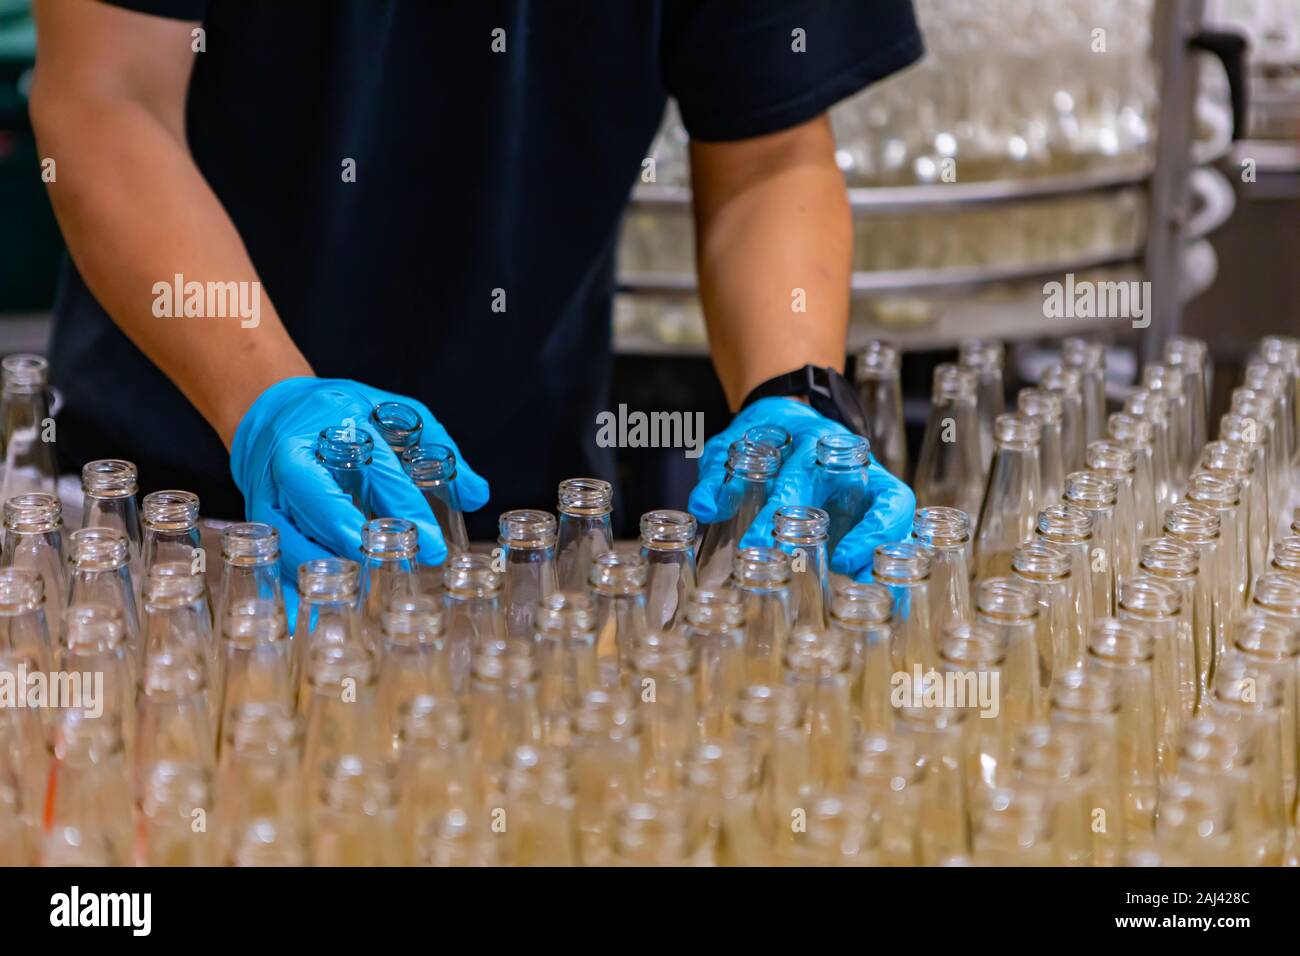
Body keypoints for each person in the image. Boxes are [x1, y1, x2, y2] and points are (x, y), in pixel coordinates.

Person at [30, 0, 920, 595]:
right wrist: (266, 401)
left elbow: (771, 156)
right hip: (166, 527)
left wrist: (796, 395)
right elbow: (106, 97)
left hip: (526, 527)